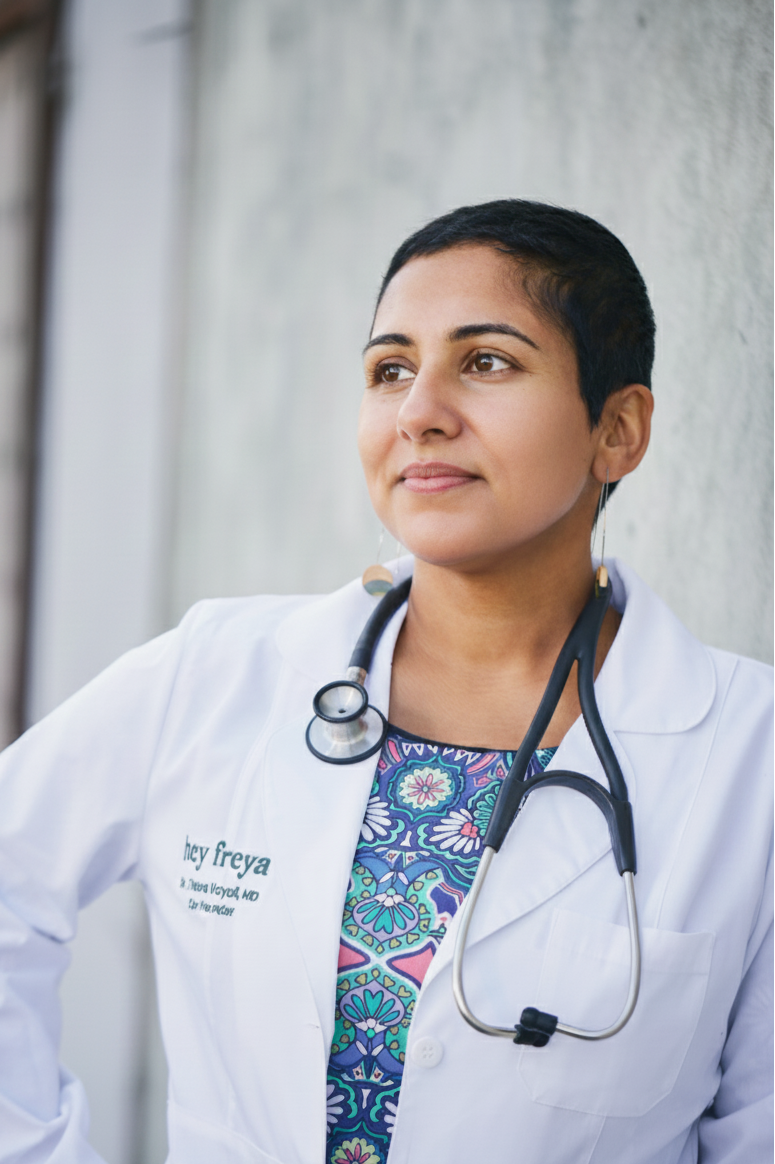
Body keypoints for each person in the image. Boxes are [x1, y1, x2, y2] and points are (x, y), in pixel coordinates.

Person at [0, 200, 771, 1163]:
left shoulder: (748, 754)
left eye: (486, 362)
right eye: (390, 370)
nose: (419, 414)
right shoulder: (214, 674)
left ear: (616, 429)